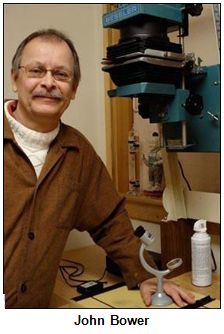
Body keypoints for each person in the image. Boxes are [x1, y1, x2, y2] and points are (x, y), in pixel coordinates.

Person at [4, 29, 195, 308]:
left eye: (61, 74)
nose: (48, 82)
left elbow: (109, 221)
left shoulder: (78, 152)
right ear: (14, 78)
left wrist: (143, 274)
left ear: (74, 88)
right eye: (36, 70)